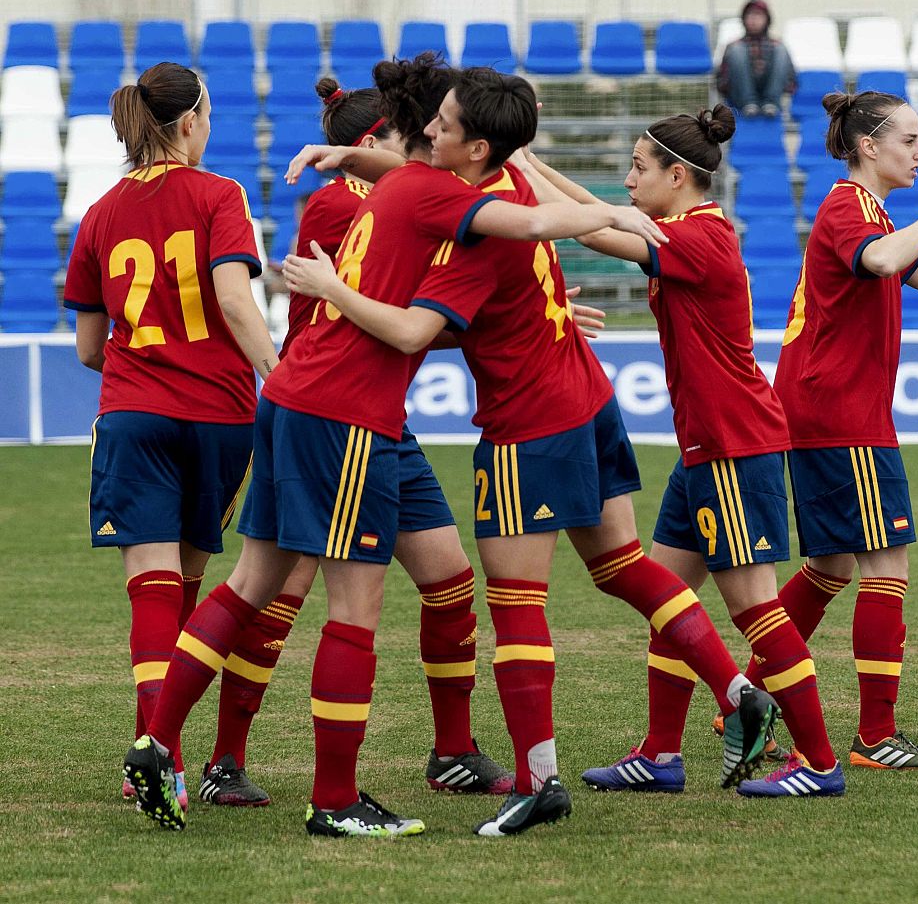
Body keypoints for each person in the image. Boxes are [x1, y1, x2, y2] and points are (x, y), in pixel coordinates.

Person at [122, 54, 670, 837]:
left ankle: (157, 742)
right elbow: (537, 221)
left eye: (447, 124)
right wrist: (620, 216)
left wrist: (348, 154)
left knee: (249, 584)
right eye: (440, 122)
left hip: (290, 397)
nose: (436, 132)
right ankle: (336, 800)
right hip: (345, 413)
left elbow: (428, 183)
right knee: (354, 608)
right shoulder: (443, 194)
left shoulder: (404, 184)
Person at [282, 71, 787, 835]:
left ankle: (538, 779)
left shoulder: (485, 228)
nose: (429, 140)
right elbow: (426, 186)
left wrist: (333, 269)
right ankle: (736, 688)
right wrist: (350, 157)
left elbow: (419, 315)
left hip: (528, 419)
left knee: (517, 606)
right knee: (621, 565)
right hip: (586, 398)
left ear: (478, 146)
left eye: (445, 128)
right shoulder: (505, 187)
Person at [507, 106, 844, 798]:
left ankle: (819, 760)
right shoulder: (683, 230)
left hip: (734, 443)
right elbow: (602, 212)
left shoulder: (704, 238)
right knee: (668, 598)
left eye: (638, 167)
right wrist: (527, 160)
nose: (628, 178)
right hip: (705, 448)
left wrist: (515, 167)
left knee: (755, 608)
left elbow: (596, 229)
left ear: (677, 175)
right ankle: (661, 753)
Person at [197, 77, 514, 809]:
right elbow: (385, 310)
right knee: (285, 591)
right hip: (332, 412)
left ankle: (454, 750)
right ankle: (224, 758)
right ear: (379, 144)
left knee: (448, 578)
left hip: (377, 414)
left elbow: (413, 308)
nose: (434, 141)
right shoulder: (344, 202)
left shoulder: (386, 195)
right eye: (422, 131)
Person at [761, 89, 918, 772]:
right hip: (842, 413)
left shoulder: (870, 211)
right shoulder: (850, 207)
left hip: (824, 408)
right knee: (886, 564)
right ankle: (874, 734)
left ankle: (751, 692)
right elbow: (882, 261)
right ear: (868, 146)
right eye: (909, 139)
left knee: (831, 565)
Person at [63, 61, 278, 814]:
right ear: (189, 123)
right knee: (186, 596)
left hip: (135, 413)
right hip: (220, 417)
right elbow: (233, 299)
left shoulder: (99, 213)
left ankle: (162, 766)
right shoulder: (221, 194)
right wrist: (278, 378)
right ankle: (156, 759)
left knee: (152, 600)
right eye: (210, 115)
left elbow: (91, 347)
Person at [717, 0, 794, 118]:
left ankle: (771, 102)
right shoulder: (733, 46)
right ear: (744, 19)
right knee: (737, 49)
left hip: (772, 93)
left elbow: (791, 80)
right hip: (741, 98)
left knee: (781, 49)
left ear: (767, 19)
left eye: (758, 16)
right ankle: (749, 102)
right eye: (750, 16)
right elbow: (722, 81)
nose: (754, 20)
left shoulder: (777, 45)